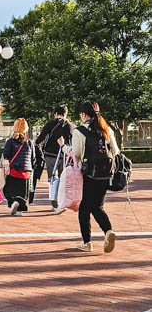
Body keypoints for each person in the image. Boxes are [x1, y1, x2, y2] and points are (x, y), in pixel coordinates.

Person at [59, 100, 118, 253]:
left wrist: (63, 146)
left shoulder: (79, 131)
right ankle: (107, 232)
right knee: (96, 205)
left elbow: (76, 154)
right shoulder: (107, 130)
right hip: (105, 175)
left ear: (84, 115)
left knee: (85, 208)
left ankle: (90, 241)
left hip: (88, 175)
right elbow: (116, 151)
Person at [35, 105, 74, 209]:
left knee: (52, 178)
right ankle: (61, 202)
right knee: (63, 179)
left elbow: (42, 136)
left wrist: (36, 143)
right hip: (65, 156)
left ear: (56, 114)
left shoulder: (51, 124)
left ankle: (54, 202)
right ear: (66, 113)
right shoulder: (71, 126)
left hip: (51, 154)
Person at [1, 118, 34, 215]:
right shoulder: (29, 142)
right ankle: (19, 208)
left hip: (14, 170)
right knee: (23, 192)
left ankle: (14, 202)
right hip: (26, 171)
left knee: (8, 189)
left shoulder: (11, 141)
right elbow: (33, 158)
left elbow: (6, 154)